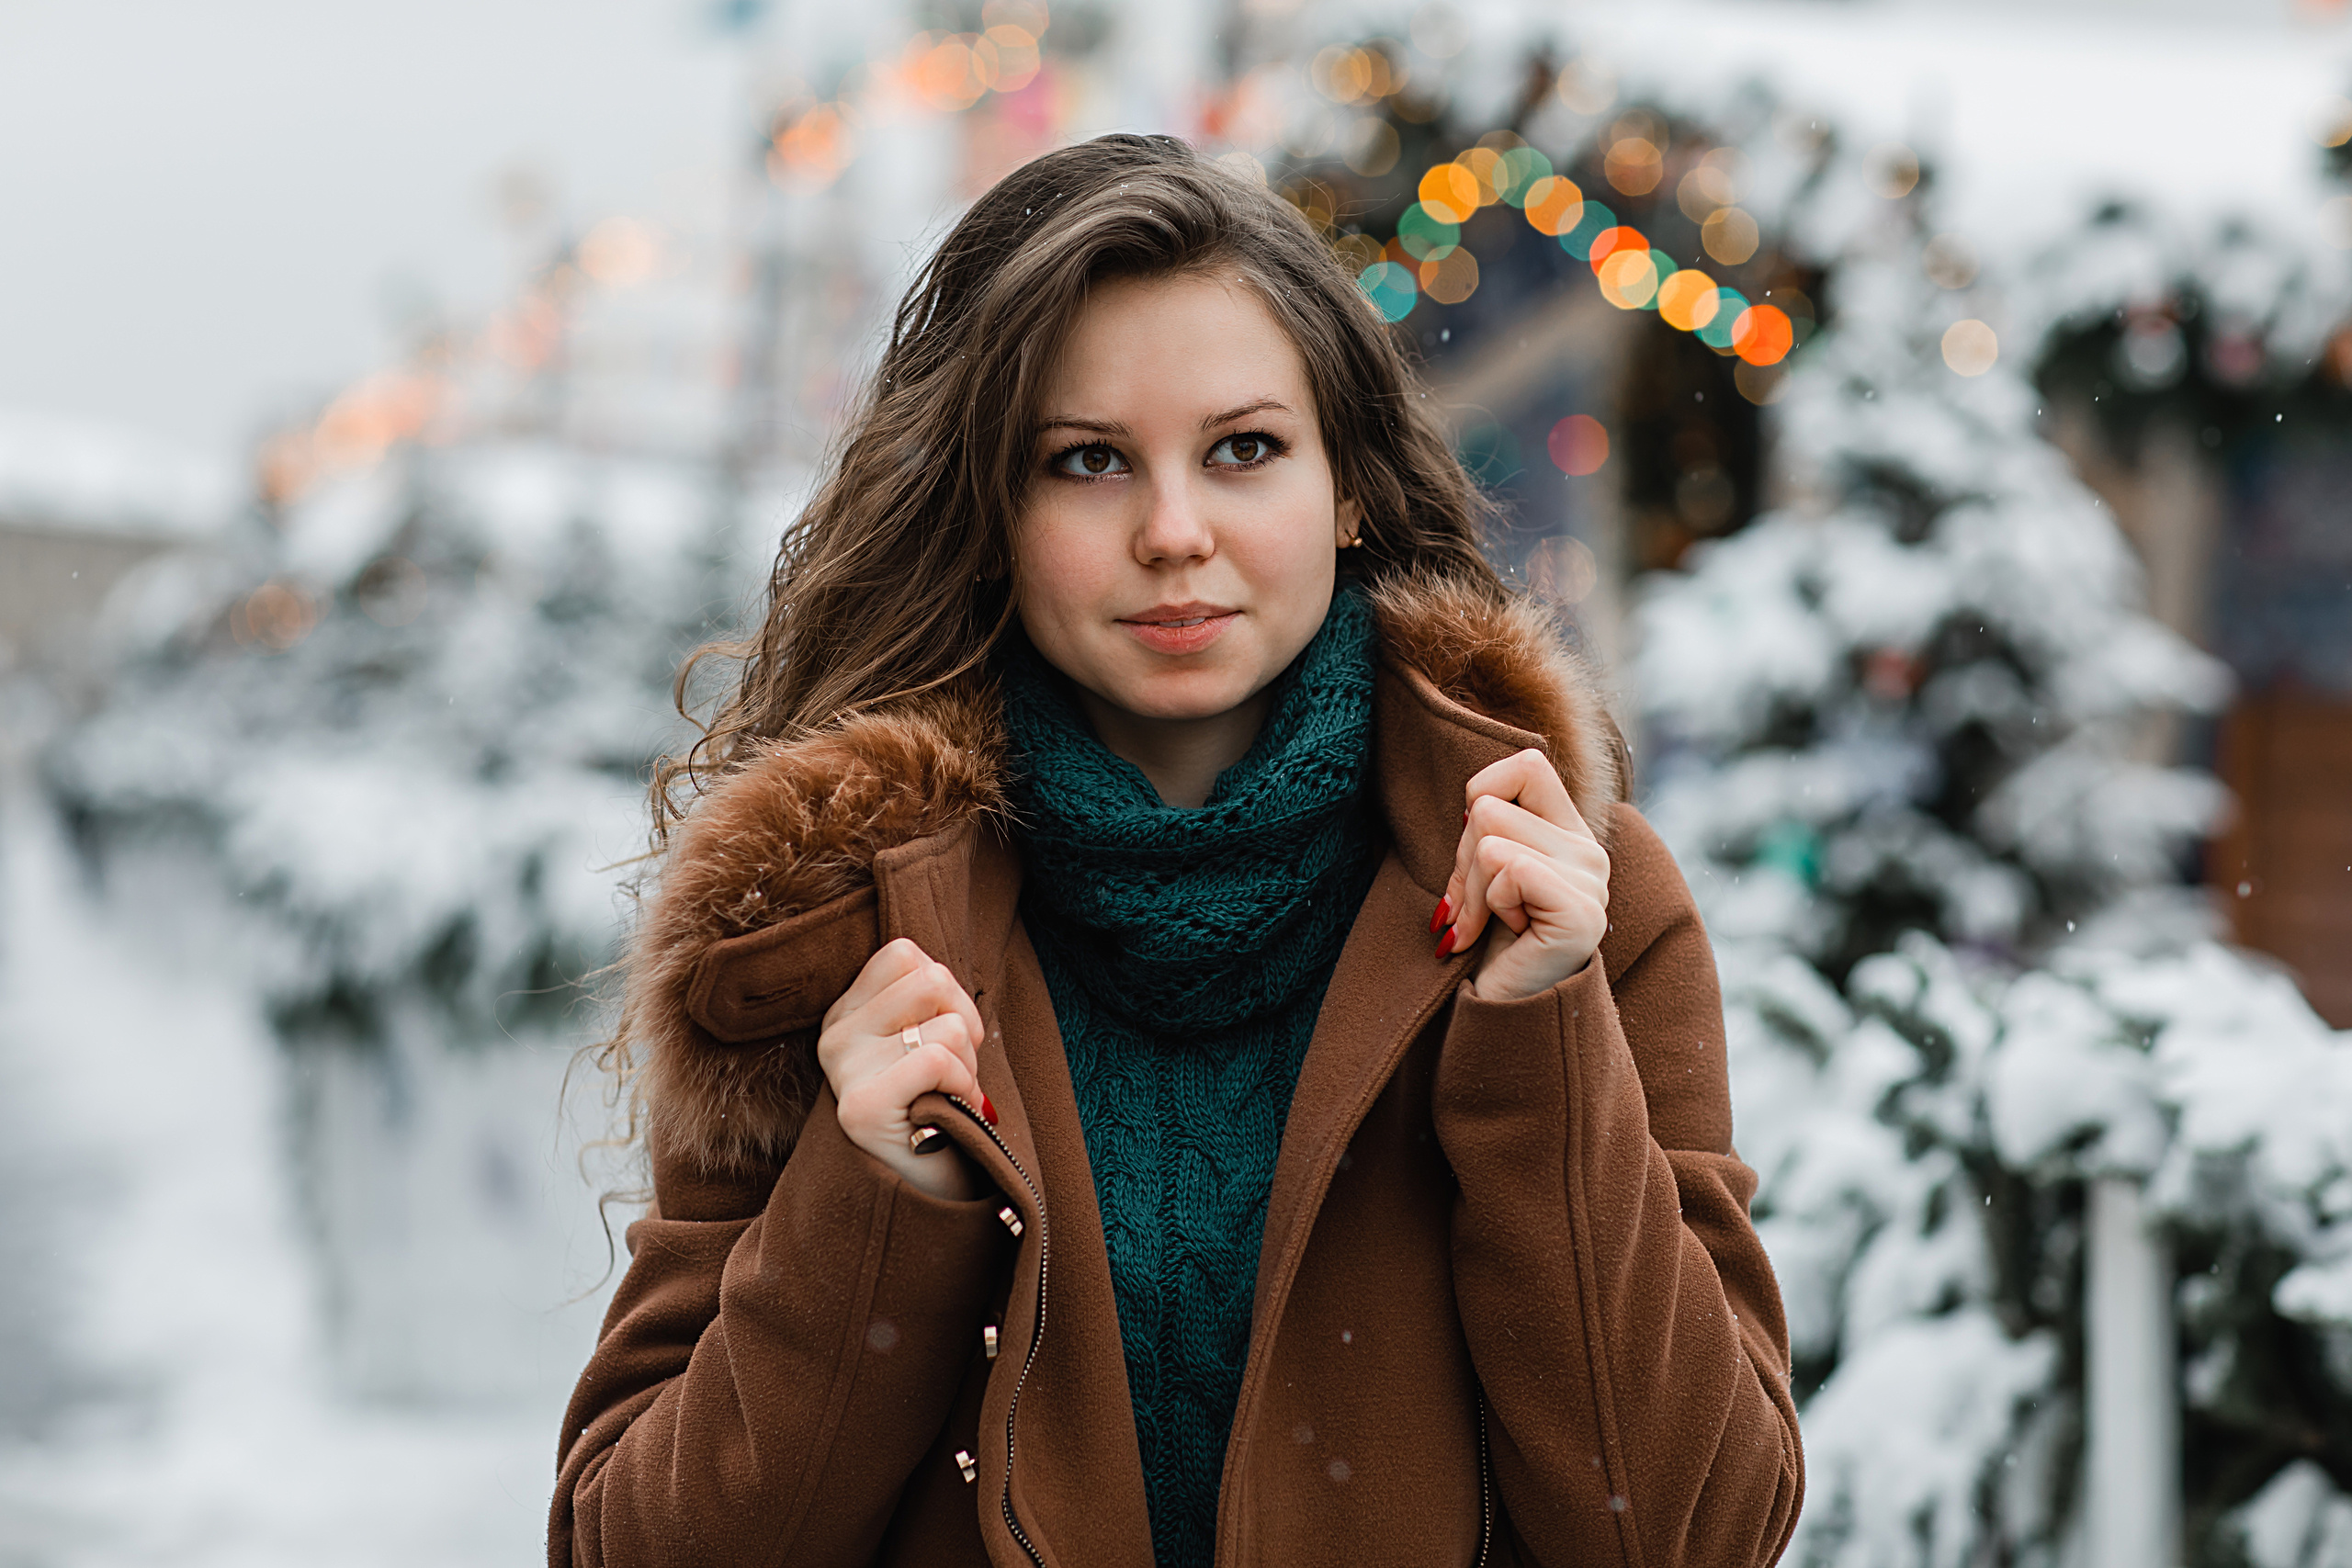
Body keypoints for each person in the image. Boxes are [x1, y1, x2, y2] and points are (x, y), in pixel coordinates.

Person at [551, 132, 1802, 1568]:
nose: (1175, 531)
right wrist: (875, 1200)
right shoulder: (824, 930)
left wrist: (1539, 1048)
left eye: (1244, 450)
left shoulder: (1572, 900)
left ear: (1345, 487)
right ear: (992, 514)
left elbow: (1700, 1533)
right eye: (1087, 462)